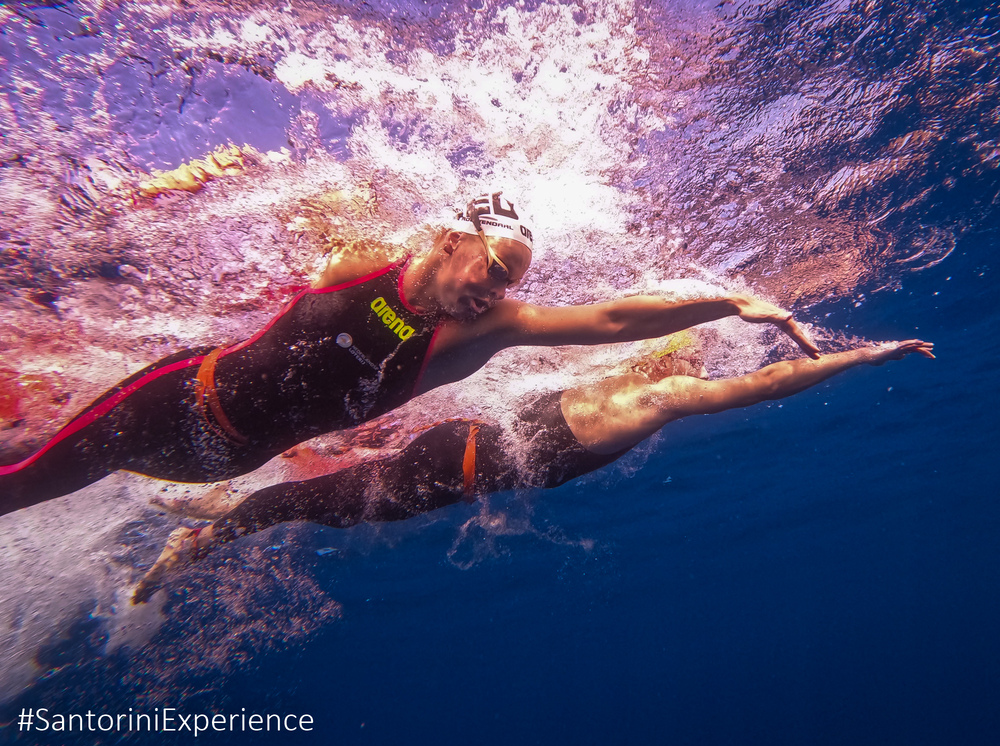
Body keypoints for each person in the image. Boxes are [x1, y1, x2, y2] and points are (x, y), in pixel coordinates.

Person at [0, 191, 818, 516]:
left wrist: (730, 301)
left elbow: (606, 321)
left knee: (32, 461)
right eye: (493, 271)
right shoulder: (363, 262)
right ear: (451, 240)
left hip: (223, 461)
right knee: (24, 483)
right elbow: (279, 260)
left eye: (508, 284)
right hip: (175, 400)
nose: (495, 292)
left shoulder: (481, 334)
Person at [132, 335, 934, 603]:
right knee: (313, 495)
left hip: (449, 453)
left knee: (314, 486)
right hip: (447, 461)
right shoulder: (639, 391)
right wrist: (864, 353)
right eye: (687, 356)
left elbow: (757, 382)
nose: (689, 367)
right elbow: (756, 377)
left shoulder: (629, 386)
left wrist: (861, 355)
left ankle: (201, 519)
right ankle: (202, 530)